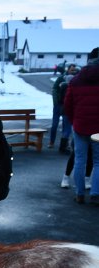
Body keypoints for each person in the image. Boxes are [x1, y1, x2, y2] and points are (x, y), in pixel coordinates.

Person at [64, 47, 99, 205]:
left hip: (80, 126)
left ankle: (79, 194)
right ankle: (95, 193)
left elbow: (67, 105)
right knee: (98, 161)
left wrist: (74, 121)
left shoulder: (76, 80)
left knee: (80, 160)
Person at [49, 63, 77, 152]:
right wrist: (56, 102)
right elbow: (54, 89)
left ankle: (64, 145)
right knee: (54, 125)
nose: (73, 71)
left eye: (74, 70)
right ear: (67, 69)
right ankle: (51, 142)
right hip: (58, 105)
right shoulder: (61, 78)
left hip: (66, 107)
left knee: (66, 126)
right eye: (72, 69)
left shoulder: (76, 79)